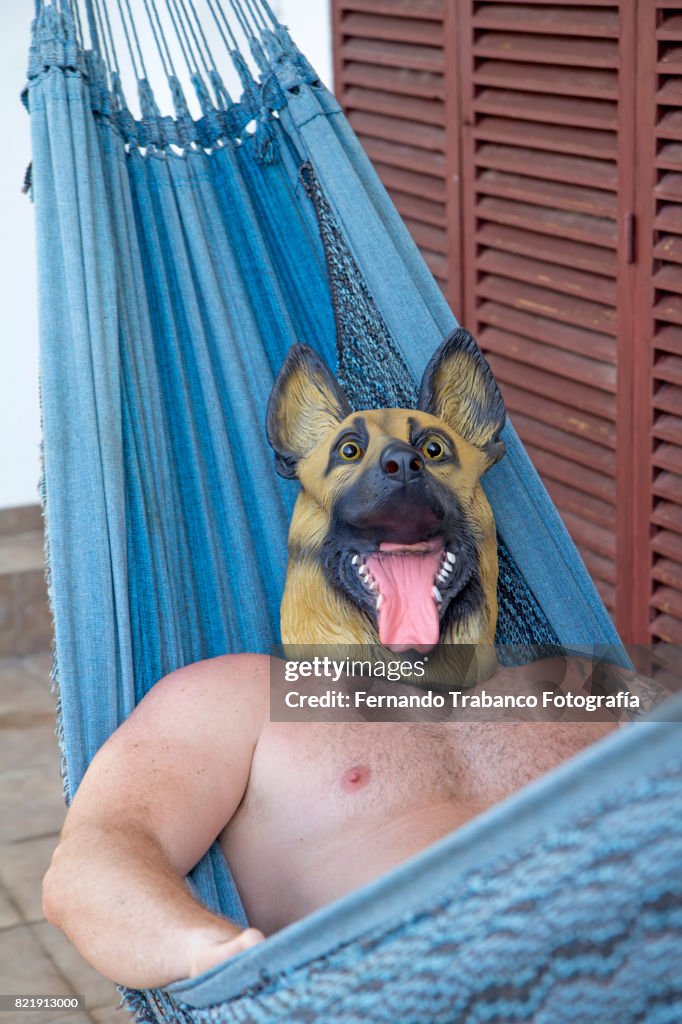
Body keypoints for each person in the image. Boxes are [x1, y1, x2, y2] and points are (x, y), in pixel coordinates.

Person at [42, 652, 618, 990]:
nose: (402, 480)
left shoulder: (585, 684)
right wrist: (211, 954)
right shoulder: (242, 694)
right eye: (352, 456)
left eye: (434, 456)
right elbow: (94, 858)